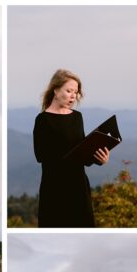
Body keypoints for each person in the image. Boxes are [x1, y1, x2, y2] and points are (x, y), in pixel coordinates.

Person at [34, 69, 110, 227]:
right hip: (54, 188)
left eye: (75, 92)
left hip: (79, 186)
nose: (73, 96)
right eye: (69, 91)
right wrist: (71, 153)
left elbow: (83, 151)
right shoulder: (42, 120)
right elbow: (40, 155)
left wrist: (99, 158)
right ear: (56, 90)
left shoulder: (77, 117)